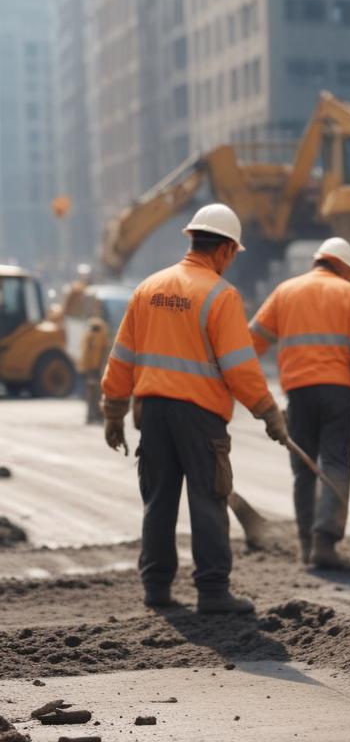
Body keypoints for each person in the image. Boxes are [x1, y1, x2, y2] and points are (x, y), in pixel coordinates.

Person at [101, 203, 288, 614]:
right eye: (232, 255)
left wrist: (113, 411)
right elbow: (240, 369)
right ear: (223, 250)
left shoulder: (148, 289)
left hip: (152, 413)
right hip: (200, 416)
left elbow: (122, 358)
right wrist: (269, 413)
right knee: (207, 498)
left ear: (194, 239)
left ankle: (156, 588)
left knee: (159, 500)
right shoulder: (220, 296)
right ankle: (213, 592)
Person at [250, 237, 350, 569]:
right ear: (345, 268)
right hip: (336, 391)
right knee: (335, 461)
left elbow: (252, 342)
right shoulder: (349, 294)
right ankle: (325, 541)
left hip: (298, 392)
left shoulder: (285, 291)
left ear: (318, 261)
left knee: (303, 468)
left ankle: (306, 545)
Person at [79, 300, 110, 425]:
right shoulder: (92, 327)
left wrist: (102, 366)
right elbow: (86, 348)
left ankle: (96, 415)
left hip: (97, 367)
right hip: (91, 366)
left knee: (96, 392)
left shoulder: (99, 327)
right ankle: (92, 415)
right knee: (92, 391)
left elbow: (104, 348)